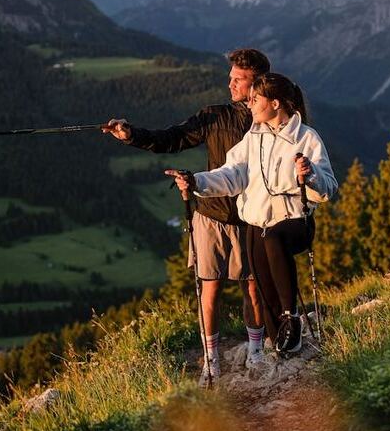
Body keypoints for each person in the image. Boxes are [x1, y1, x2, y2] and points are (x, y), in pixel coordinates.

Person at [103, 48, 269, 385]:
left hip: (252, 216)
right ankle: (211, 360)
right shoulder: (213, 116)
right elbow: (173, 137)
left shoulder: (269, 119)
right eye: (230, 78)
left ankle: (255, 352)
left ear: (257, 85)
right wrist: (132, 135)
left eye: (238, 80)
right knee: (211, 290)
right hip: (210, 215)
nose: (231, 84)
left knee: (253, 289)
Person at [167, 73, 337, 356]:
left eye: (255, 99)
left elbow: (328, 188)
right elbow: (232, 174)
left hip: (295, 222)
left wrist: (311, 176)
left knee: (273, 239)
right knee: (263, 288)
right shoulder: (252, 137)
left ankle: (292, 318)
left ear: (275, 103)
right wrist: (197, 182)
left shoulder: (306, 138)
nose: (250, 103)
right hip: (258, 224)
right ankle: (281, 344)